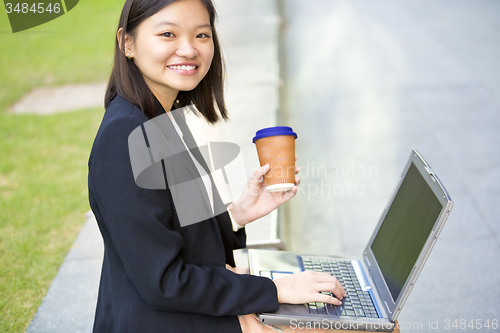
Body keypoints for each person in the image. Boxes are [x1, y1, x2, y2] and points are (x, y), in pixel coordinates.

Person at [88, 0, 370, 332]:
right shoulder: (125, 138)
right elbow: (163, 281)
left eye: (202, 35)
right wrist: (275, 290)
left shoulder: (158, 117)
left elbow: (174, 233)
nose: (189, 49)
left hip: (189, 312)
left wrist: (238, 214)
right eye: (168, 34)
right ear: (127, 43)